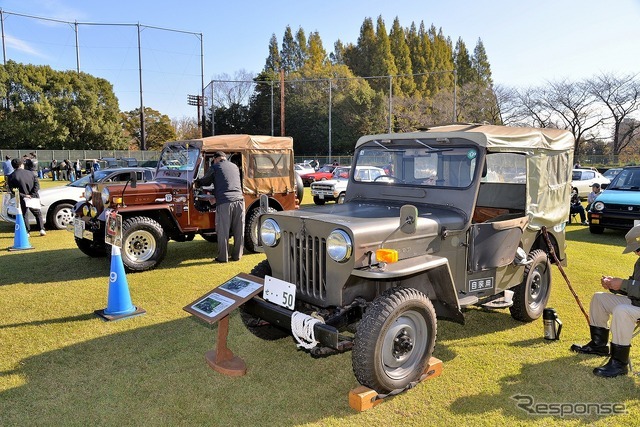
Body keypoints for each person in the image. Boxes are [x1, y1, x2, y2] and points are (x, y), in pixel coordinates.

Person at [570, 224, 640, 377]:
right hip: (637, 303)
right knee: (599, 298)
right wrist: (613, 285)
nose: (636, 253)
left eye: (638, 249)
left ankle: (619, 364)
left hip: (635, 306)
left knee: (622, 311)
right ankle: (598, 346)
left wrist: (623, 284)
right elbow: (634, 286)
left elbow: (633, 286)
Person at [195, 151, 245, 263]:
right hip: (239, 200)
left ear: (216, 159)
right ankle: (237, 256)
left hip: (225, 202)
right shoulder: (235, 166)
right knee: (239, 230)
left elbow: (205, 181)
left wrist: (196, 183)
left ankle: (223, 257)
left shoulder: (215, 167)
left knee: (223, 231)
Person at [8, 158, 46, 236]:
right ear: (22, 164)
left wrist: (24, 195)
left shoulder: (11, 176)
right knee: (37, 213)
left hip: (21, 198)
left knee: (24, 214)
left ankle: (27, 231)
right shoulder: (31, 173)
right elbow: (36, 185)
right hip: (33, 197)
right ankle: (41, 229)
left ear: (13, 166)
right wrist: (32, 194)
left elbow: (13, 190)